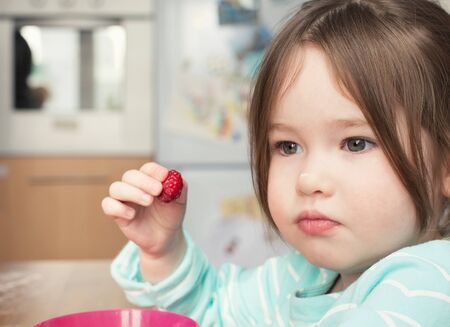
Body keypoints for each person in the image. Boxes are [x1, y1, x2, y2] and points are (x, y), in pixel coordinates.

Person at [102, 0, 450, 325]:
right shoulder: (306, 275)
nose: (307, 178)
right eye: (287, 146)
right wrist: (164, 250)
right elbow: (212, 314)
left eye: (356, 143)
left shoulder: (430, 282)